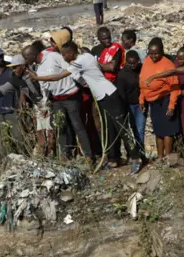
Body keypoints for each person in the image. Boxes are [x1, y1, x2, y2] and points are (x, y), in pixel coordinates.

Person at [35, 40, 142, 172]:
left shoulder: (80, 62)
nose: (63, 58)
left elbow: (57, 77)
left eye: (64, 55)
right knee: (108, 129)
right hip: (102, 97)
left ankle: (136, 158)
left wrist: (37, 78)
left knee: (121, 127)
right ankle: (114, 159)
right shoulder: (85, 57)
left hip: (109, 95)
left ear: (71, 53)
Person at [36, 30, 93, 161]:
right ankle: (65, 156)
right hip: (57, 99)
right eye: (51, 41)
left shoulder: (64, 57)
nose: (51, 44)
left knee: (78, 126)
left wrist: (85, 84)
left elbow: (73, 73)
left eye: (54, 42)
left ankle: (89, 156)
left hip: (70, 96)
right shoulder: (50, 55)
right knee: (60, 127)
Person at [140, 38, 181, 161]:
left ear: (162, 51)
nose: (153, 56)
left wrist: (171, 105)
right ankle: (159, 157)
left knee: (167, 130)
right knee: (158, 130)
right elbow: (142, 81)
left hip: (165, 100)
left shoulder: (168, 65)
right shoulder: (147, 61)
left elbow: (175, 87)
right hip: (153, 102)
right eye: (151, 53)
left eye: (156, 53)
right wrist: (142, 98)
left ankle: (168, 157)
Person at [116, 50, 145, 151]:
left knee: (140, 129)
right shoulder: (122, 74)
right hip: (129, 106)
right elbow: (122, 94)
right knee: (133, 129)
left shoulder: (142, 69)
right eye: (130, 63)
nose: (132, 66)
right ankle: (133, 153)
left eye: (134, 63)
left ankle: (141, 152)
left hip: (141, 104)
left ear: (138, 60)